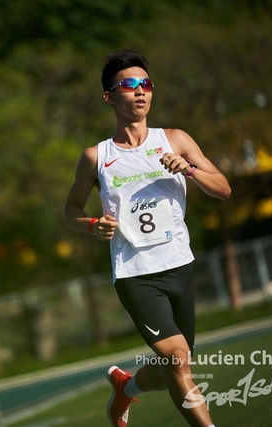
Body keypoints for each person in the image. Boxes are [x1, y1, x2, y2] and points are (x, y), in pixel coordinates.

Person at [64, 50, 230, 427]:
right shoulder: (96, 157)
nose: (140, 92)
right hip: (136, 273)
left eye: (146, 84)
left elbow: (223, 189)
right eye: (129, 84)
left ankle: (127, 387)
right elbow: (70, 211)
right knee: (176, 358)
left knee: (177, 364)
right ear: (109, 96)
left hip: (180, 266)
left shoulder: (175, 140)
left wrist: (188, 169)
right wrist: (92, 224)